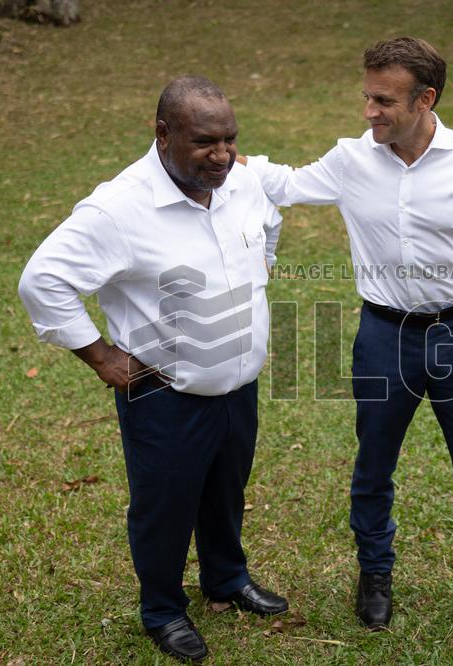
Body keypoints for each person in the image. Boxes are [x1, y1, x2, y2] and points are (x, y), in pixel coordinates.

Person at [242, 38, 453, 629]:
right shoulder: (350, 160)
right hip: (383, 336)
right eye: (366, 96)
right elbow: (283, 184)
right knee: (374, 465)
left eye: (383, 100)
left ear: (425, 99)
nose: (368, 112)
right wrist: (223, 155)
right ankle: (375, 573)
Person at [19, 76, 288, 662]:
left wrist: (261, 264)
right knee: (165, 505)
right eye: (205, 143)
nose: (222, 155)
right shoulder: (118, 209)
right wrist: (100, 355)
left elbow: (268, 225)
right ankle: (163, 609)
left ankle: (227, 579)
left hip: (238, 384)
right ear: (163, 134)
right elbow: (43, 280)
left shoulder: (239, 183)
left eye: (230, 140)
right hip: (165, 393)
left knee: (225, 492)